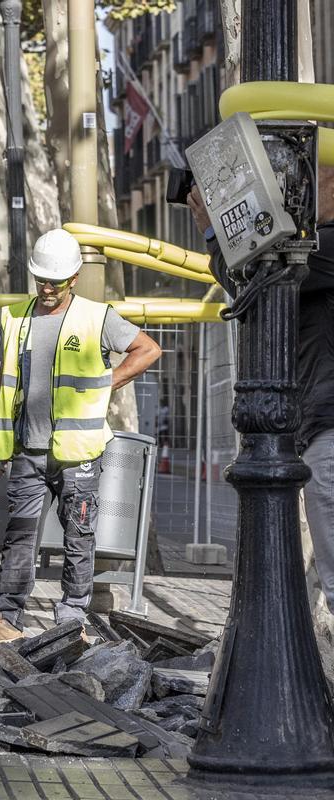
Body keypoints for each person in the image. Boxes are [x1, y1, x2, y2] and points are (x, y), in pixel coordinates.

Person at [0, 229, 162, 643]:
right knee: (20, 534)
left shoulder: (96, 317)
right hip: (27, 450)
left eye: (54, 281)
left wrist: (106, 383)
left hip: (77, 454)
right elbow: (1, 382)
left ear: (74, 278)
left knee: (78, 536)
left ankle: (73, 614)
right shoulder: (14, 317)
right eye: (40, 279)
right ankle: (6, 612)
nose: (46, 288)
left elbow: (148, 350)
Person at [189, 173, 334, 609]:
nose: (305, 184)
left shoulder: (324, 249)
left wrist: (220, 231)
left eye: (318, 172)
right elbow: (256, 284)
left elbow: (262, 280)